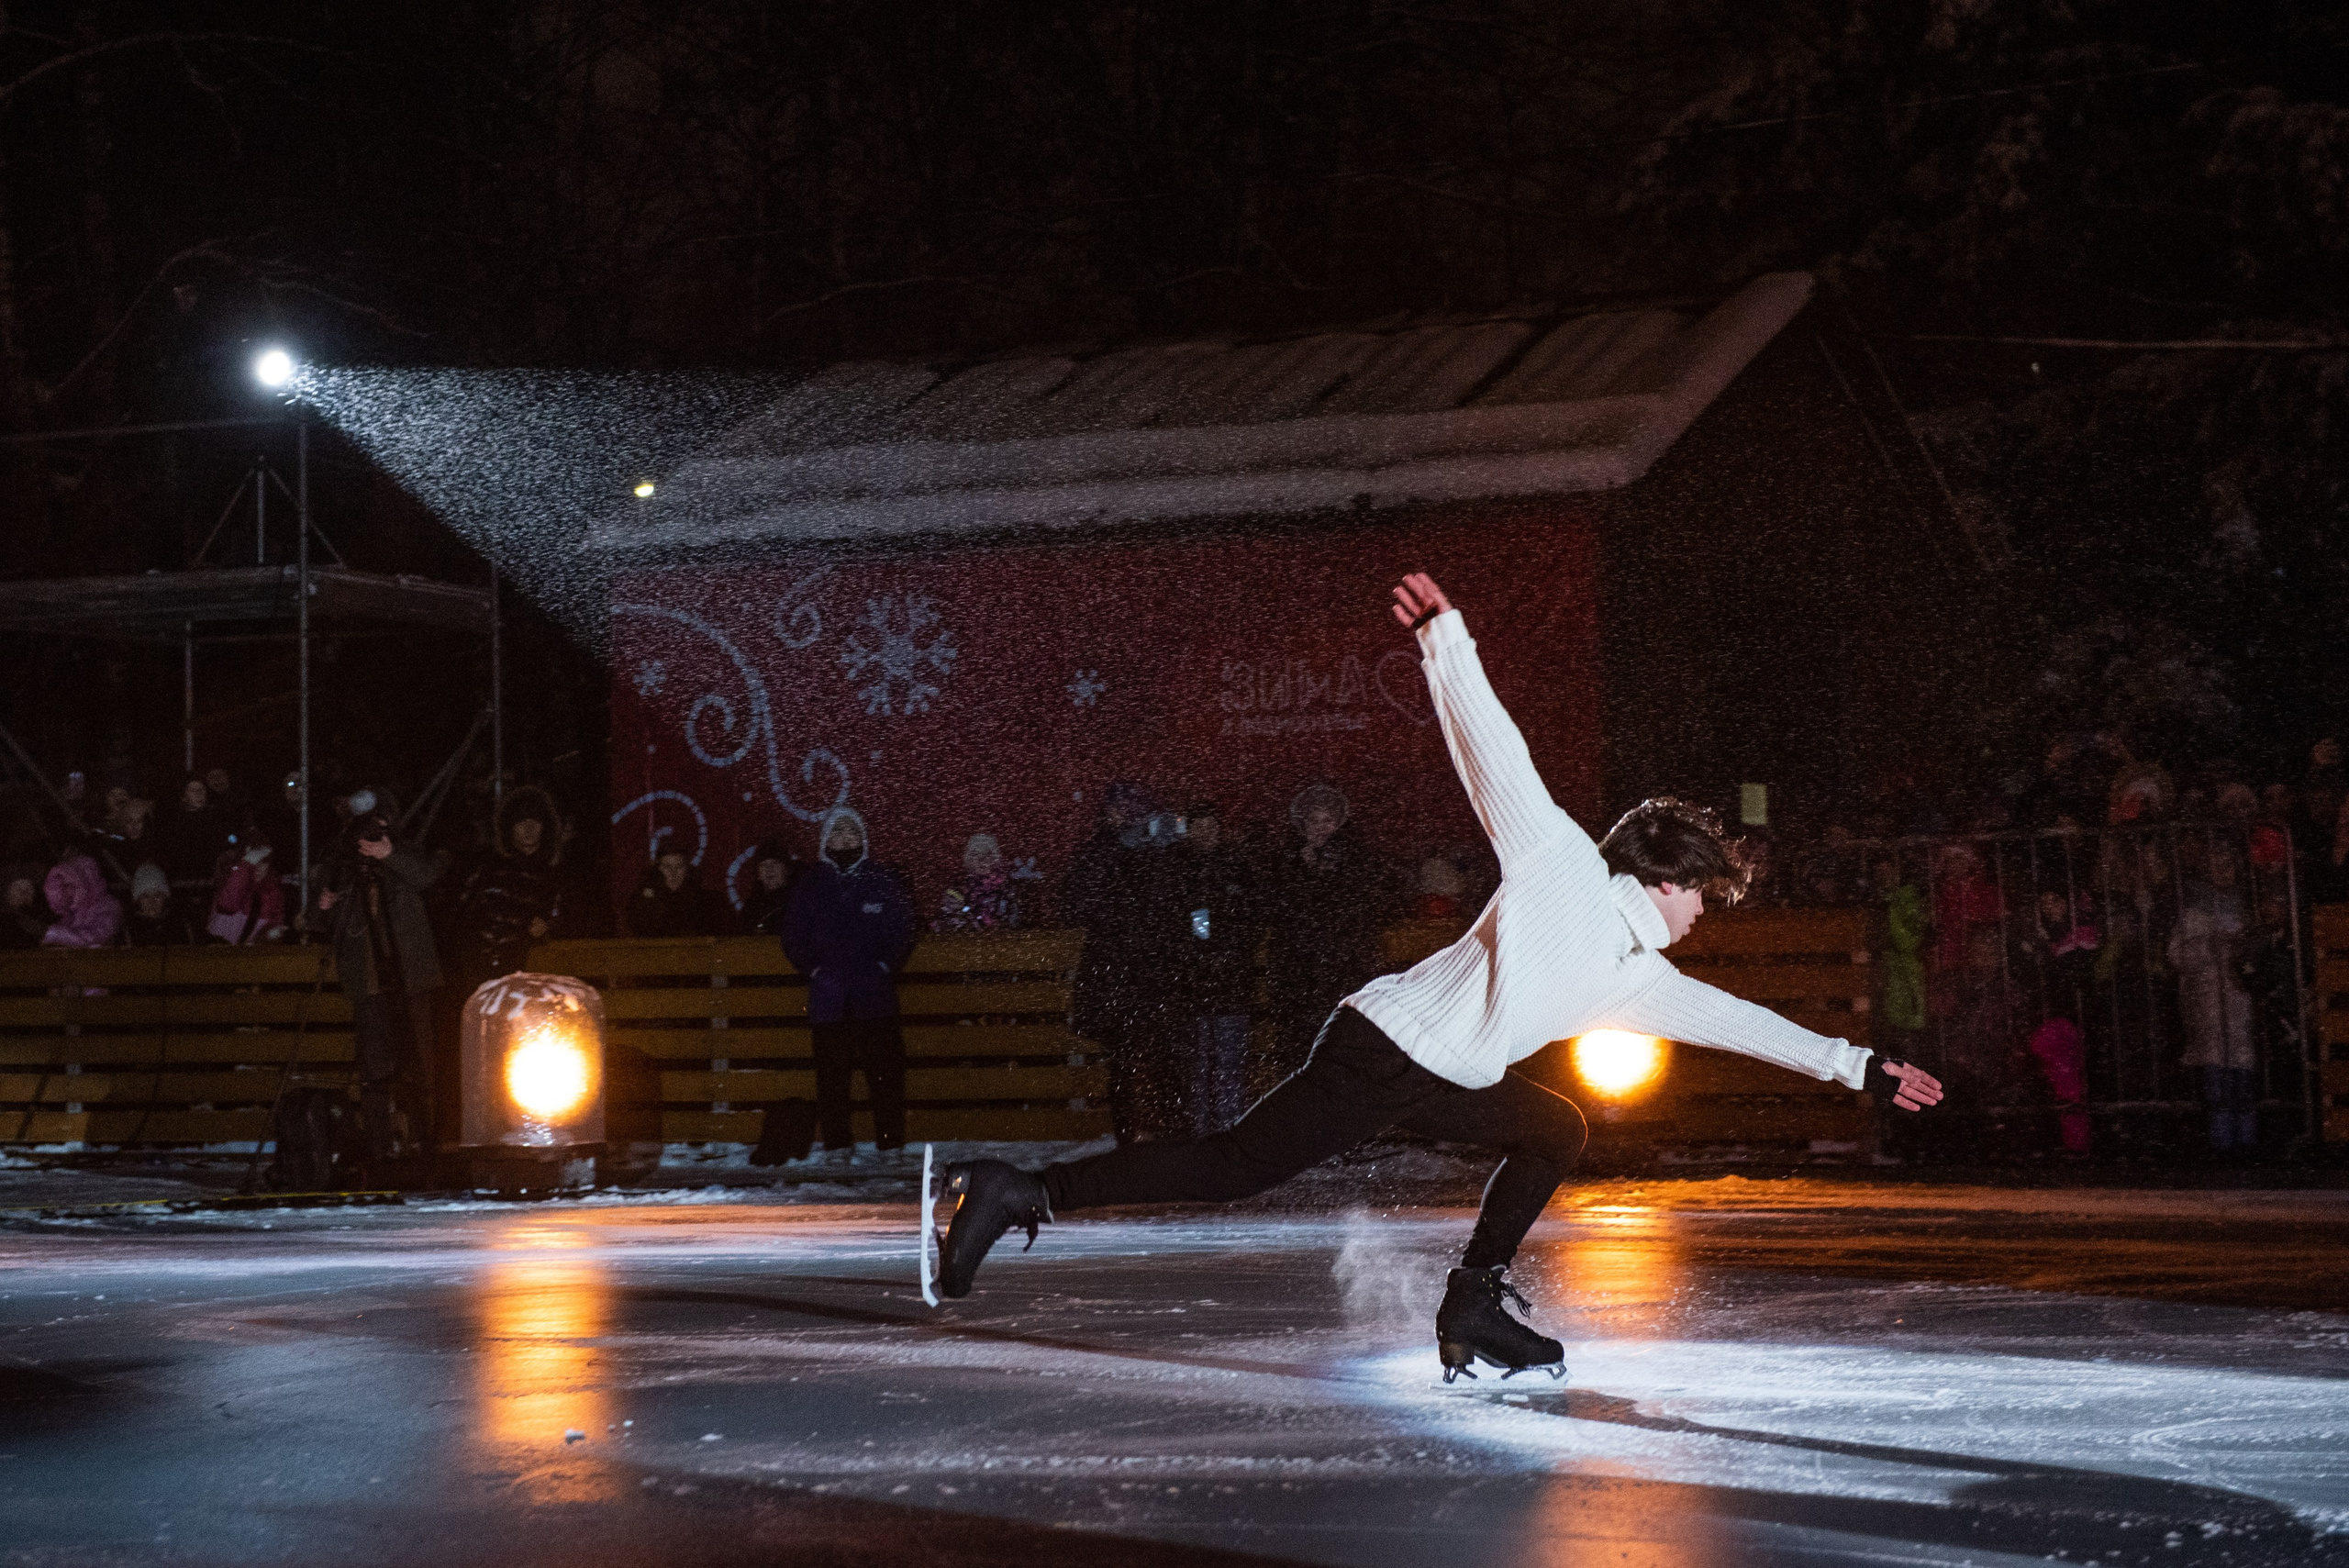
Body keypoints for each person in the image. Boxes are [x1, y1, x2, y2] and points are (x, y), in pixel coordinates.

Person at [935, 573, 1944, 1381]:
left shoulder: (1636, 971)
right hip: (1383, 1047)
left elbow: (1735, 1019)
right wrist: (1446, 642)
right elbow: (1493, 754)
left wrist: (1856, 1066)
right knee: (1237, 1163)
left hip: (1437, 1071)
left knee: (1555, 1124)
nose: (1701, 916)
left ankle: (1473, 1299)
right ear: (1667, 875)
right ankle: (1020, 1186)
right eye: (1701, 896)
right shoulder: (1561, 868)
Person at [782, 806, 917, 1158]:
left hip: (874, 996)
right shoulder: (811, 883)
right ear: (826, 839)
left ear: (863, 837)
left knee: (884, 1075)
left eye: (851, 831)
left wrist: (886, 966)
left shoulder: (881, 880)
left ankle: (891, 1144)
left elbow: (903, 929)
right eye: (837, 832)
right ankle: (838, 1143)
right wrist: (814, 971)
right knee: (832, 1077)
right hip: (829, 999)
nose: (845, 838)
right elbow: (793, 936)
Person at [316, 811, 445, 1175]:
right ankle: (379, 1147)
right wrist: (325, 907)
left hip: (410, 981)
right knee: (374, 1069)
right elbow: (328, 924)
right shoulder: (348, 868)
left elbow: (428, 876)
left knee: (420, 1062)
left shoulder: (406, 856)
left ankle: (425, 1141)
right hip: (369, 985)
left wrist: (389, 854)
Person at [1063, 783, 1174, 1142]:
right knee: (1128, 1060)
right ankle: (1131, 1132)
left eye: (1129, 807)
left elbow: (1164, 903)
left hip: (1136, 970)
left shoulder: (1149, 852)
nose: (1123, 814)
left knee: (1150, 1056)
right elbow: (1075, 904)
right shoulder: (1105, 853)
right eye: (1118, 807)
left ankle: (1150, 1130)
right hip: (1121, 971)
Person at [1262, 782, 1391, 1079]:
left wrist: (1328, 875)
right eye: (1314, 820)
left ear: (1339, 822)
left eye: (1327, 820)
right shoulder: (1286, 861)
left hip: (1341, 969)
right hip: (1297, 973)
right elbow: (1278, 909)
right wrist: (1302, 873)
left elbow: (1366, 905)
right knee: (1297, 1043)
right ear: (1302, 824)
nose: (1321, 828)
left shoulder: (1357, 860)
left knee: (1340, 1039)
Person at [1163, 802, 1261, 1137]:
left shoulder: (1237, 867)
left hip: (1230, 981)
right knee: (1196, 1066)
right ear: (1188, 831)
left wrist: (1226, 949)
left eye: (1211, 827)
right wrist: (1197, 951)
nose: (1206, 834)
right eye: (1199, 827)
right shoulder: (1177, 868)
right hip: (1192, 984)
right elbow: (1177, 922)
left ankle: (1228, 1134)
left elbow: (1251, 919)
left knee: (1228, 1063)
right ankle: (1200, 1136)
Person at [2169, 849, 2259, 1159]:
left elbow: (2256, 948)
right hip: (2208, 996)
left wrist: (2240, 951)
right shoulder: (2194, 913)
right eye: (2217, 864)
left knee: (2242, 1058)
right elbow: (2177, 955)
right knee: (2217, 1060)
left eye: (2228, 863)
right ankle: (2221, 1136)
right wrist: (2209, 945)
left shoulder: (2248, 908)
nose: (2224, 870)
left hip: (2238, 994)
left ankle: (2246, 1134)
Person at [455, 787, 568, 980]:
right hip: (484, 970)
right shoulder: (486, 870)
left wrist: (548, 926)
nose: (529, 828)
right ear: (510, 826)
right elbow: (465, 917)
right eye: (521, 821)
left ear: (545, 826)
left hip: (536, 970)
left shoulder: (557, 874)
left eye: (536, 821)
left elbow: (569, 917)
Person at [626, 847, 729, 937]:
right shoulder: (641, 903)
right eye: (667, 867)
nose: (673, 872)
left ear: (687, 870)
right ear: (657, 870)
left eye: (679, 866)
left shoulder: (709, 902)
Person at [933, 833, 1024, 933]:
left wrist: (1002, 925)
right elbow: (947, 917)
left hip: (1005, 943)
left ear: (995, 858)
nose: (982, 859)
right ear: (969, 858)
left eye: (987, 854)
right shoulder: (959, 886)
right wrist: (973, 925)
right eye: (976, 854)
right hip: (967, 944)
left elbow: (1018, 915)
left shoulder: (1006, 885)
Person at [206, 836, 286, 943]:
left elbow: (274, 923)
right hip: (219, 949)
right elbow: (228, 905)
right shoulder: (231, 879)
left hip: (248, 955)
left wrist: (267, 935)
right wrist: (246, 866)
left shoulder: (273, 892)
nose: (258, 867)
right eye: (255, 862)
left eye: (264, 862)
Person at [158, 776, 231, 889]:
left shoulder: (217, 819)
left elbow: (224, 845)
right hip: (181, 881)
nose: (199, 793)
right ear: (184, 797)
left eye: (202, 790)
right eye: (193, 790)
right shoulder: (173, 822)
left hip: (211, 879)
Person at [41, 848, 123, 948]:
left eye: (70, 885)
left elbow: (98, 936)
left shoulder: (108, 906)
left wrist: (54, 934)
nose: (67, 891)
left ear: (85, 882)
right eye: (63, 887)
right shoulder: (70, 915)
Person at [735, 837, 803, 937]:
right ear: (758, 873)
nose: (769, 869)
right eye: (763, 865)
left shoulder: (801, 900)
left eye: (775, 863)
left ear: (786, 869)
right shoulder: (752, 906)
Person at [124, 862, 193, 947]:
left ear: (165, 898)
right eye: (146, 896)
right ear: (138, 900)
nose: (152, 902)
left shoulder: (179, 925)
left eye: (157, 896)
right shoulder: (129, 929)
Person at [0, 865, 50, 949]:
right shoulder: (7, 923)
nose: (24, 894)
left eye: (27, 891)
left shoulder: (42, 915)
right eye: (18, 890)